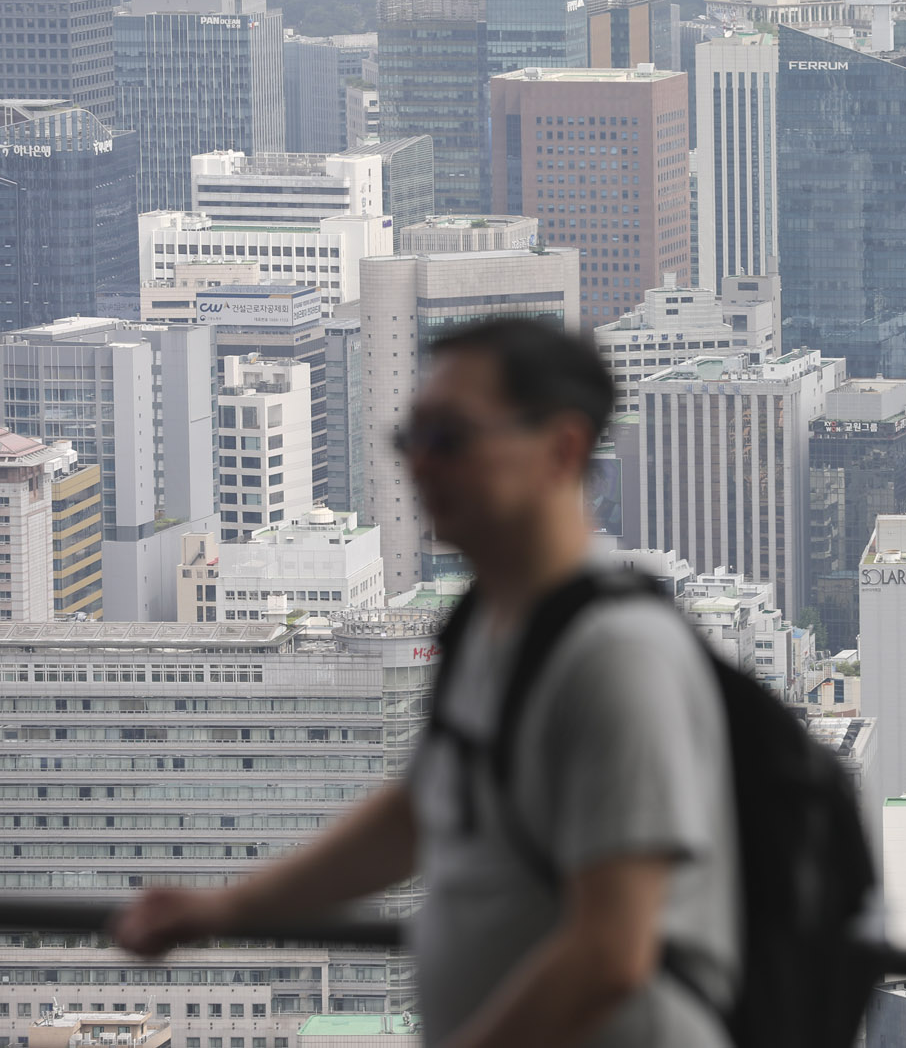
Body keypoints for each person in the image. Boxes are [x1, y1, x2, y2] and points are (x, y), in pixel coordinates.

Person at [113, 317, 738, 1048]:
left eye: (451, 438)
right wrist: (225, 908)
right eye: (410, 439)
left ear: (561, 448)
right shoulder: (489, 622)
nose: (420, 466)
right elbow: (418, 814)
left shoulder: (616, 655)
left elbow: (612, 953)